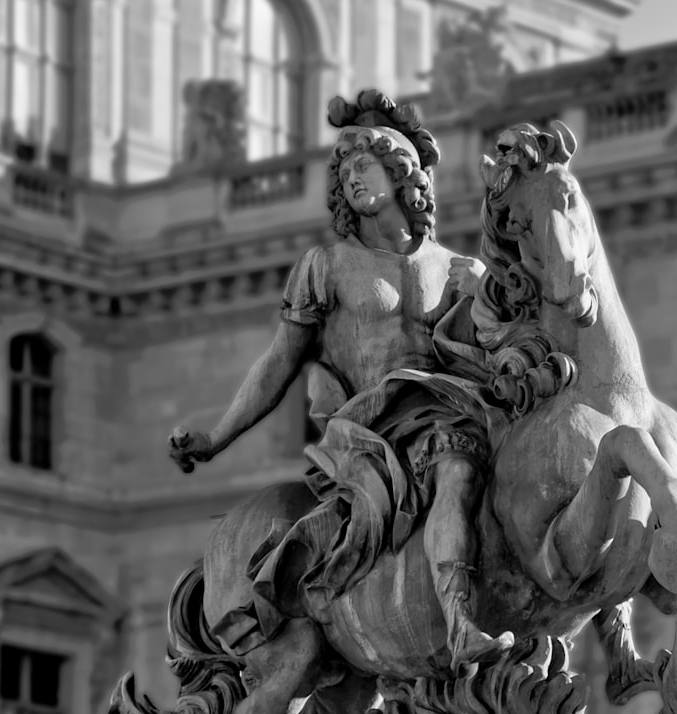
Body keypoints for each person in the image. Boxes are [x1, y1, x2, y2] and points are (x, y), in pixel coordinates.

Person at [170, 90, 513, 671]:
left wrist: (488, 299)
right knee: (455, 465)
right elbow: (277, 365)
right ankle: (459, 623)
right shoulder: (325, 267)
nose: (351, 177)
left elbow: (496, 347)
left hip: (446, 407)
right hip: (369, 430)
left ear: (402, 175)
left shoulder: (456, 269)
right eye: (345, 168)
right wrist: (216, 438)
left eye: (364, 165)